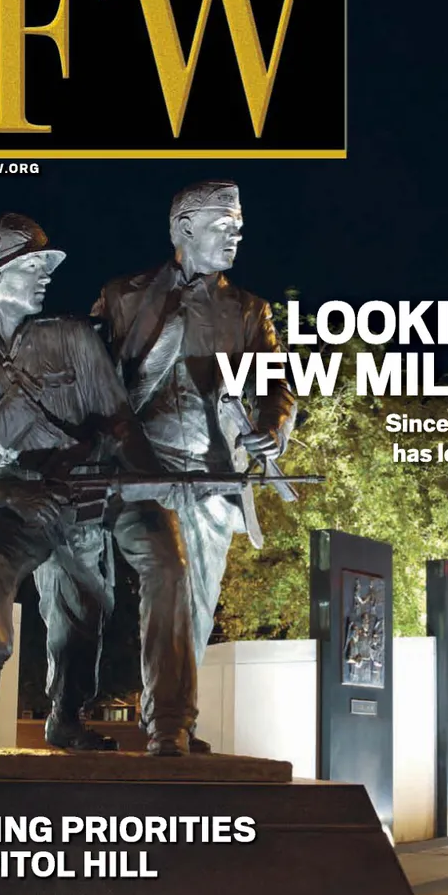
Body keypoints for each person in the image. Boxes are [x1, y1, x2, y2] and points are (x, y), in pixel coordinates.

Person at [0, 213, 197, 756]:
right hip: (10, 503)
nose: (45, 273)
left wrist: (153, 481)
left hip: (83, 492)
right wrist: (7, 494)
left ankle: (79, 717)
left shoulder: (72, 337)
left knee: (85, 608)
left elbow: (121, 425)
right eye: (31, 264)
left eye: (45, 264)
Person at [91, 182, 296, 742]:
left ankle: (174, 717)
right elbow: (87, 379)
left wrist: (273, 428)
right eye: (224, 225)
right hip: (142, 472)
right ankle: (169, 723)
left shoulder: (249, 310)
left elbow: (278, 383)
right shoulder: (122, 296)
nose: (237, 236)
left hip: (212, 475)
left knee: (198, 604)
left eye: (239, 227)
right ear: (184, 228)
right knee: (171, 576)